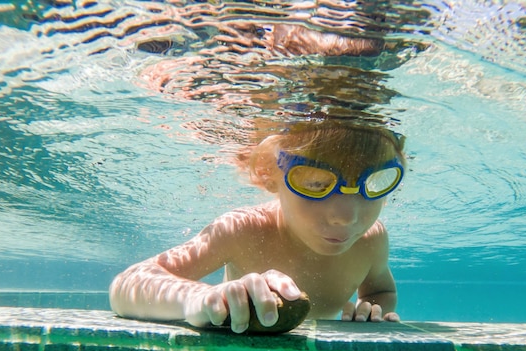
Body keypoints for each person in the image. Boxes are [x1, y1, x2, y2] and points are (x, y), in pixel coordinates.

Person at [109, 120, 406, 333]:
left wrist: (372, 313)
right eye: (315, 183)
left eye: (374, 183)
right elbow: (127, 284)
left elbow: (380, 291)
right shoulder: (242, 230)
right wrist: (193, 298)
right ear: (270, 175)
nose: (347, 217)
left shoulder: (371, 240)